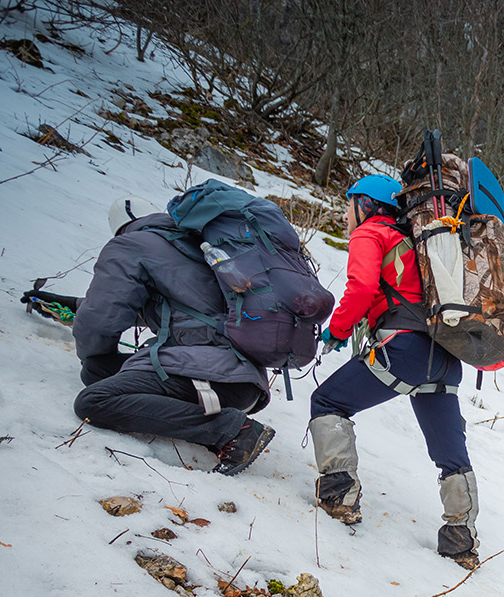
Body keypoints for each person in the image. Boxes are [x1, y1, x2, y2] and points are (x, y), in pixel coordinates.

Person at [307, 174, 481, 569]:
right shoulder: (419, 242)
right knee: (451, 455)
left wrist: (338, 330)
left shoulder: (372, 233)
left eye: (349, 204)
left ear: (366, 204)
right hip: (444, 355)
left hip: (403, 350)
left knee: (328, 402)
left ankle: (339, 495)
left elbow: (362, 287)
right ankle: (460, 539)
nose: (345, 215)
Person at [48, 196, 273, 475]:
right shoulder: (194, 243)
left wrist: (92, 348)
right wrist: (77, 306)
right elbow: (183, 310)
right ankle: (205, 418)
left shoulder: (129, 245)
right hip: (240, 379)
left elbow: (100, 319)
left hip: (212, 377)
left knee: (94, 401)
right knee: (99, 369)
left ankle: (232, 429)